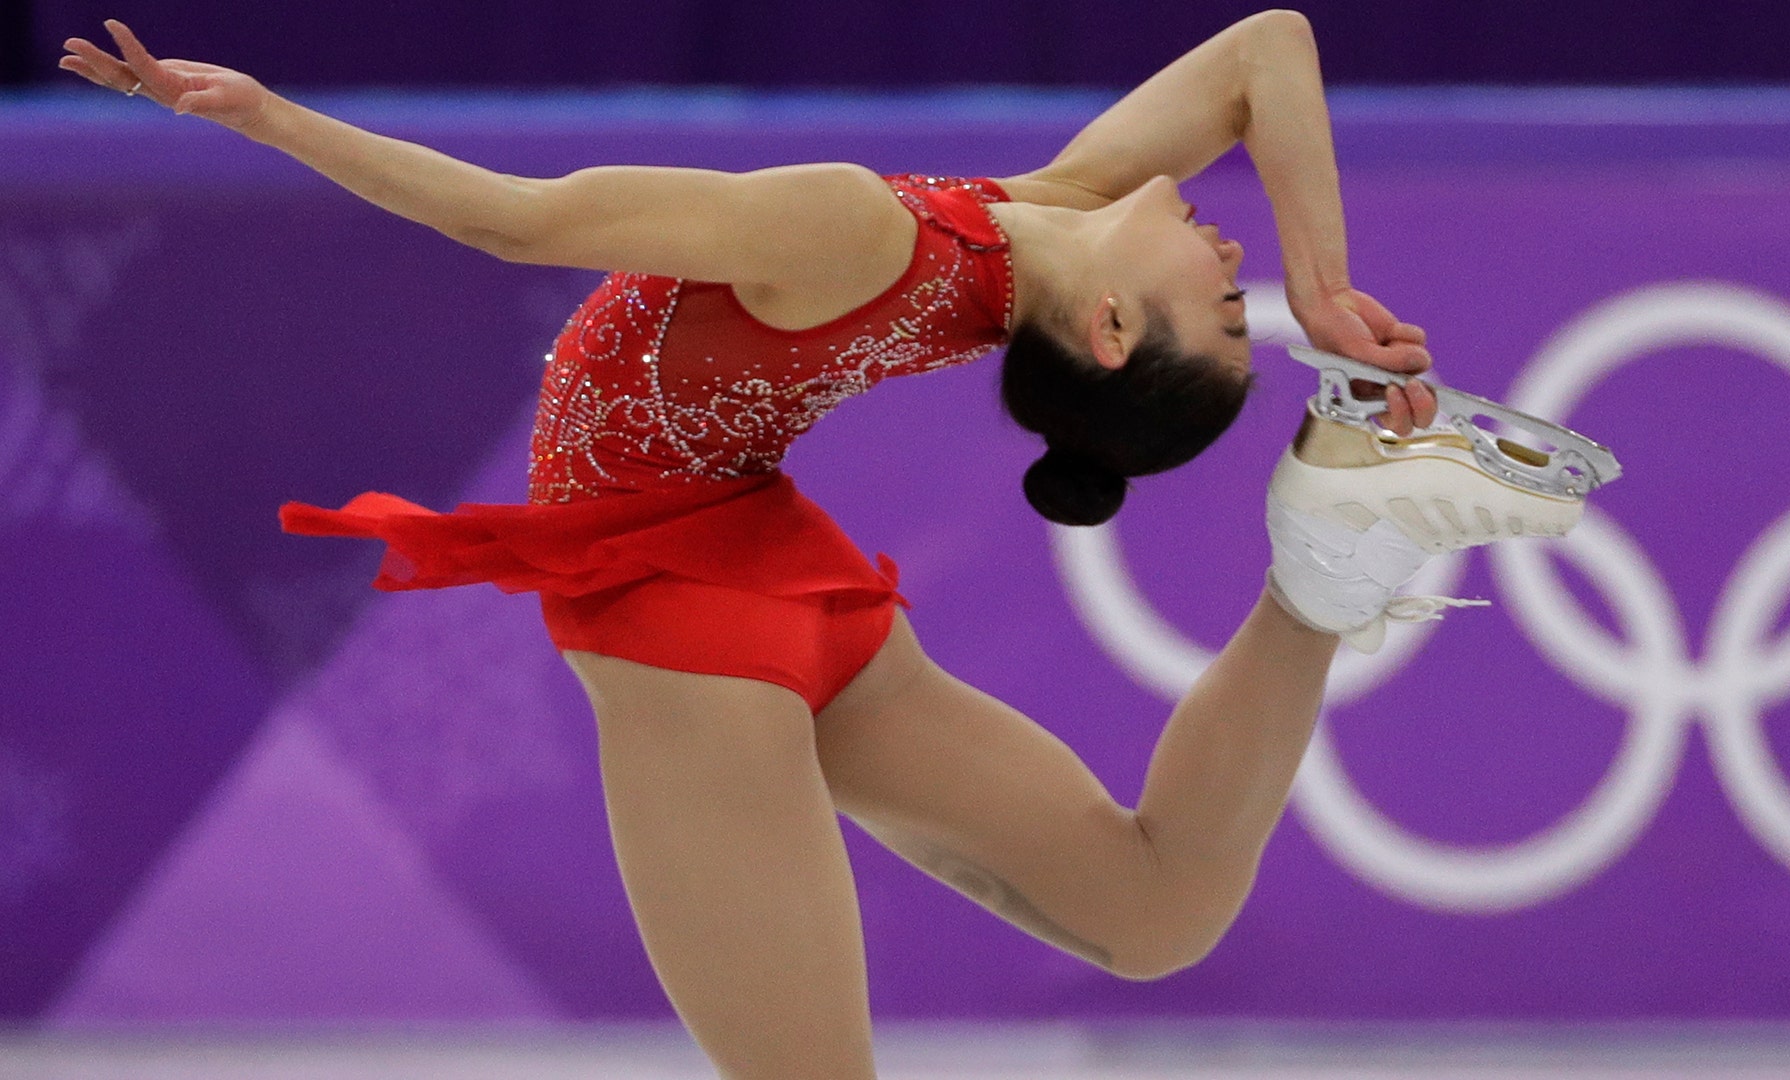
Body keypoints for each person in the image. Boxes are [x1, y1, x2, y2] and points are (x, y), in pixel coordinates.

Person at [61, 14, 1580, 1079]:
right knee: (1138, 924)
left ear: (1112, 327)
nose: (1232, 254)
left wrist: (265, 117)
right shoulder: (1033, 225)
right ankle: (1321, 562)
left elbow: (523, 225)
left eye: (1224, 298)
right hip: (735, 569)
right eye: (1241, 289)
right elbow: (1267, 50)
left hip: (695, 612)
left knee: (1158, 911)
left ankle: (1323, 569)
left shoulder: (858, 232)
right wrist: (1326, 288)